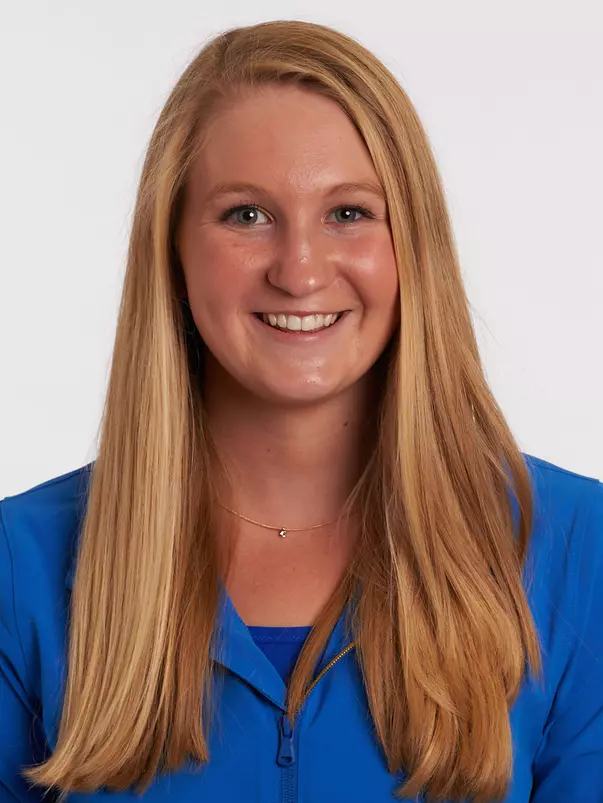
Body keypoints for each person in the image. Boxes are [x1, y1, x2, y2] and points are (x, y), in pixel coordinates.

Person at [1, 18, 602, 803]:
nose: (300, 269)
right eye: (245, 214)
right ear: (172, 247)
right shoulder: (21, 566)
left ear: (411, 244)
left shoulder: (575, 549)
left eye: (348, 212)